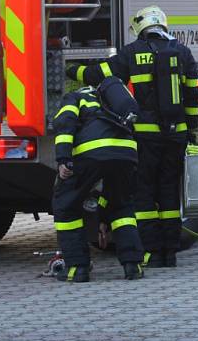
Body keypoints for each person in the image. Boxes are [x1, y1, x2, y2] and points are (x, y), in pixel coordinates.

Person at [67, 6, 198, 268]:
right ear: (162, 24)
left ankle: (149, 251)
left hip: (145, 137)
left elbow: (97, 75)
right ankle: (169, 253)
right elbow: (193, 98)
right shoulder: (183, 53)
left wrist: (72, 69)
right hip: (176, 136)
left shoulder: (131, 52)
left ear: (140, 27)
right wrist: (192, 131)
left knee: (144, 193)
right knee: (170, 192)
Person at [52, 77, 144, 282]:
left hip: (92, 153)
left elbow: (65, 125)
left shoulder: (74, 98)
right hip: (126, 154)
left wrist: (63, 159)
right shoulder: (110, 103)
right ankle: (133, 265)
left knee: (66, 206)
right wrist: (103, 220)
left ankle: (77, 268)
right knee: (122, 206)